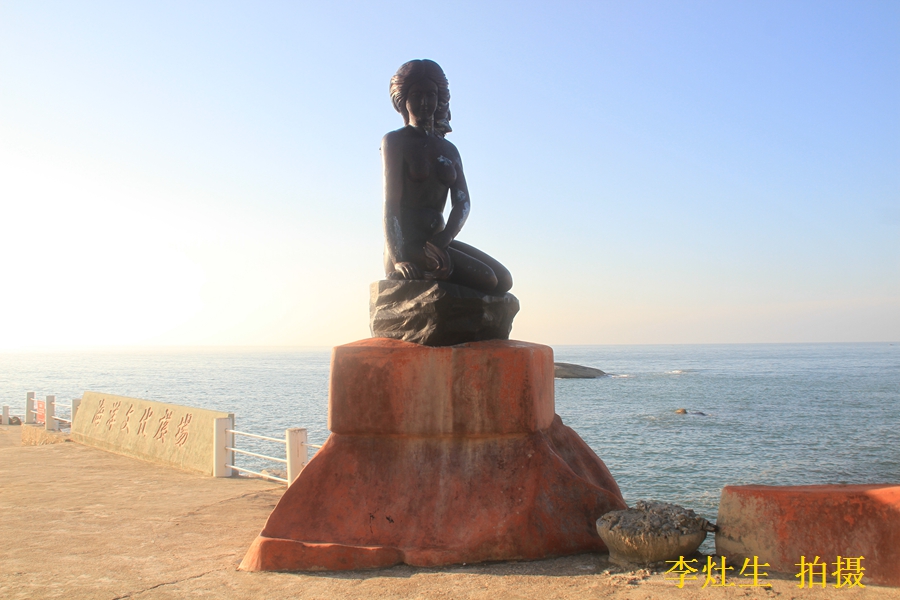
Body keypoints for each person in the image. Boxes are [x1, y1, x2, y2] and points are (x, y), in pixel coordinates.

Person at [381, 59, 512, 296]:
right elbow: (391, 204)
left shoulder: (449, 150)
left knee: (503, 280)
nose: (424, 102)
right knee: (488, 280)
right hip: (409, 245)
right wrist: (398, 258)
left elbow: (463, 202)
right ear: (403, 99)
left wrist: (445, 237)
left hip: (438, 241)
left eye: (430, 94)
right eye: (417, 94)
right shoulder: (395, 141)